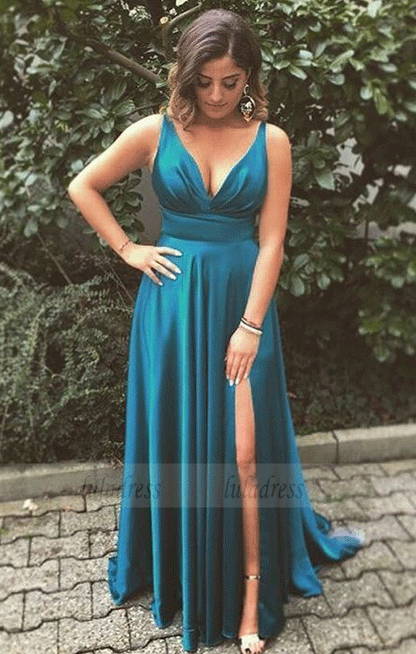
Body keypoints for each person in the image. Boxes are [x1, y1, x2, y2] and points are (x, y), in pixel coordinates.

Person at [68, 8, 364, 654]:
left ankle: (246, 583)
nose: (217, 95)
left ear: (249, 75)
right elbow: (83, 185)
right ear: (186, 74)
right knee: (177, 435)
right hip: (170, 313)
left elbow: (272, 240)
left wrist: (251, 325)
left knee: (244, 451)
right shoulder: (153, 131)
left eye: (231, 82)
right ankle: (176, 569)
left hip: (242, 306)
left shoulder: (272, 141)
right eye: (204, 82)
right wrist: (128, 248)